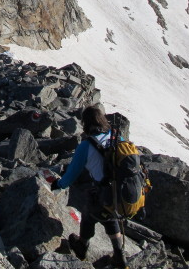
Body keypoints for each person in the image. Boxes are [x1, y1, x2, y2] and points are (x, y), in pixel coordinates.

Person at [49, 105, 129, 269]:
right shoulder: (116, 137)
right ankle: (119, 253)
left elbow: (72, 175)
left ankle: (82, 246)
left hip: (103, 190)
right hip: (122, 191)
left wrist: (58, 184)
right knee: (109, 214)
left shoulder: (86, 145)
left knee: (90, 212)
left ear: (85, 123)